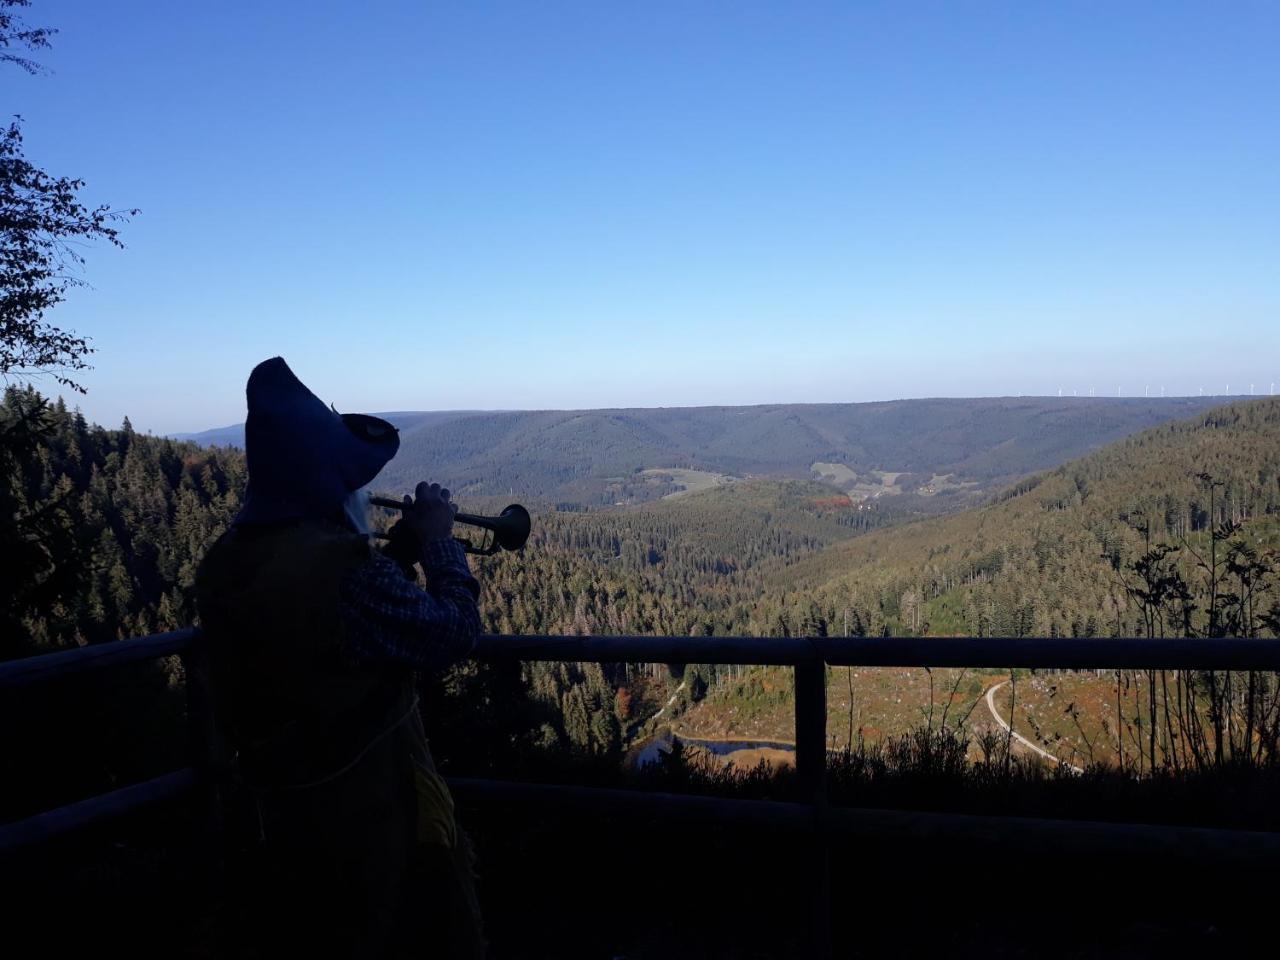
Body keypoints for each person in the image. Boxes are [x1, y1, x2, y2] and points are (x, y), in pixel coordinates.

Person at [195, 357, 484, 959]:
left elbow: (330, 633)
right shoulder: (342, 571)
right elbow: (453, 634)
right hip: (369, 814)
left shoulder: (229, 560)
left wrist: (397, 552)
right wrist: (440, 547)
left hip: (282, 812)